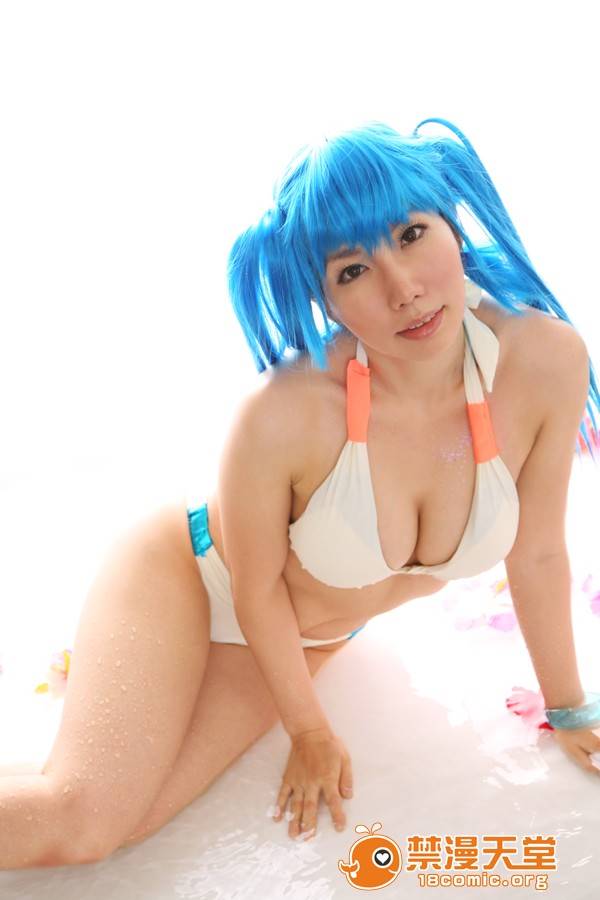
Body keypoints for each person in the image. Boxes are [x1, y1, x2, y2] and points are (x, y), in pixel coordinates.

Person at [2, 117, 600, 870]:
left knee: (126, 823)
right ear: (324, 297)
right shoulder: (285, 410)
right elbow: (253, 588)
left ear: (452, 221)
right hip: (193, 576)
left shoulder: (543, 360)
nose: (403, 289)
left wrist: (569, 708)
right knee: (81, 820)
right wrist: (310, 731)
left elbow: (538, 552)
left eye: (412, 234)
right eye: (353, 271)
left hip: (301, 636)